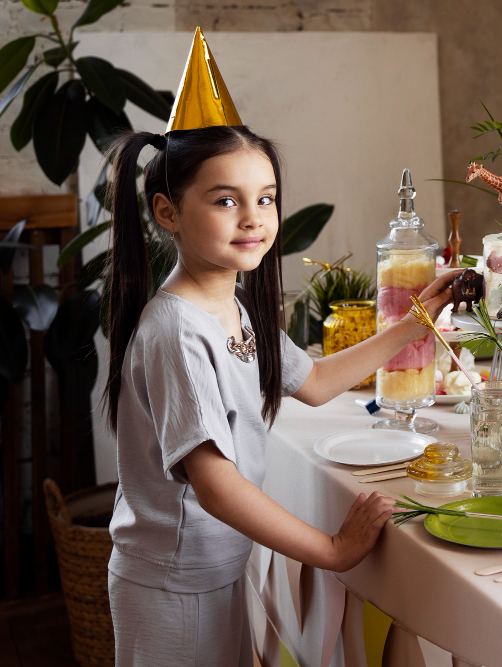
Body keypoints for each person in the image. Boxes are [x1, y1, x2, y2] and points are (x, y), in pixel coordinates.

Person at [104, 29, 456, 666]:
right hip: (171, 587)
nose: (254, 217)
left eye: (265, 198)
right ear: (167, 212)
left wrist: (412, 325)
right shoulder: (178, 330)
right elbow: (214, 484)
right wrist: (331, 549)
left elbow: (316, 382)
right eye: (224, 200)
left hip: (214, 569)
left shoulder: (229, 302)